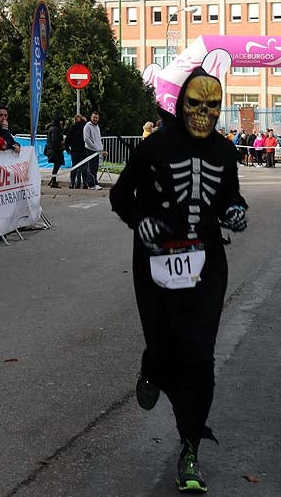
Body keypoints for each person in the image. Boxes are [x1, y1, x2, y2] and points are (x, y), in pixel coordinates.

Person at [110, 68, 247, 494]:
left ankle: (190, 448)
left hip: (206, 267)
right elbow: (120, 195)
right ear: (180, 104)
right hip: (155, 265)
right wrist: (140, 221)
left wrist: (235, 212)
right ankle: (152, 364)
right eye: (196, 104)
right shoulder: (155, 147)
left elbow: (230, 197)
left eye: (212, 106)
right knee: (166, 347)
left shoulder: (224, 152)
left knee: (201, 357)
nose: (204, 113)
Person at [82, 110, 108, 191]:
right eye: (94, 117)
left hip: (97, 151)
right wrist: (94, 147)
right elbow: (86, 139)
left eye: (96, 118)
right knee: (91, 168)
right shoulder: (87, 126)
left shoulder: (97, 126)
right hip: (90, 150)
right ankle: (93, 184)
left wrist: (101, 149)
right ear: (91, 117)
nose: (95, 119)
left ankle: (94, 183)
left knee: (95, 168)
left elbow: (98, 139)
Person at [66, 114, 89, 189]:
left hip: (75, 150)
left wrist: (67, 149)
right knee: (84, 168)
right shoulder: (86, 126)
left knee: (74, 167)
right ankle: (85, 183)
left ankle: (73, 183)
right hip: (84, 150)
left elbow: (68, 138)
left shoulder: (73, 127)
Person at [44, 116, 66, 188]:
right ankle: (53, 181)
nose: (62, 122)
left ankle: (52, 180)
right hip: (55, 150)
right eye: (61, 121)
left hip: (54, 149)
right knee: (57, 165)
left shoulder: (54, 128)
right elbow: (54, 140)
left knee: (56, 165)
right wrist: (61, 144)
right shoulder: (55, 129)